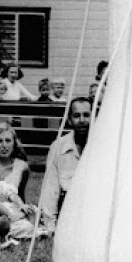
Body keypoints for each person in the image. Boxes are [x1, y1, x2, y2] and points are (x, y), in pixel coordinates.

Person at [38, 97, 91, 233]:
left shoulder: (103, 145)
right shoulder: (58, 146)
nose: (82, 120)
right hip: (69, 208)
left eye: (86, 115)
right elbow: (51, 187)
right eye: (76, 116)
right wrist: (51, 225)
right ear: (69, 119)